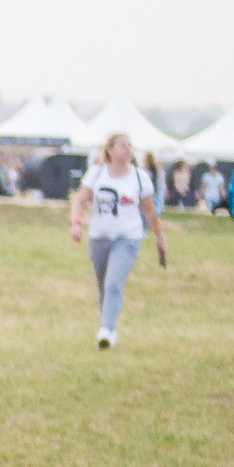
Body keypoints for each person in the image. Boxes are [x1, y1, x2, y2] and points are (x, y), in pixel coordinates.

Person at [70, 133, 165, 350]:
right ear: (110, 150)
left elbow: (149, 211)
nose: (128, 150)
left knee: (114, 282)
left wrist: (160, 237)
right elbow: (80, 200)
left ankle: (105, 330)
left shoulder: (140, 178)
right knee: (103, 286)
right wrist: (76, 223)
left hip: (128, 238)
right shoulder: (96, 174)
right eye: (123, 146)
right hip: (99, 238)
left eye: (130, 146)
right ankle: (109, 327)